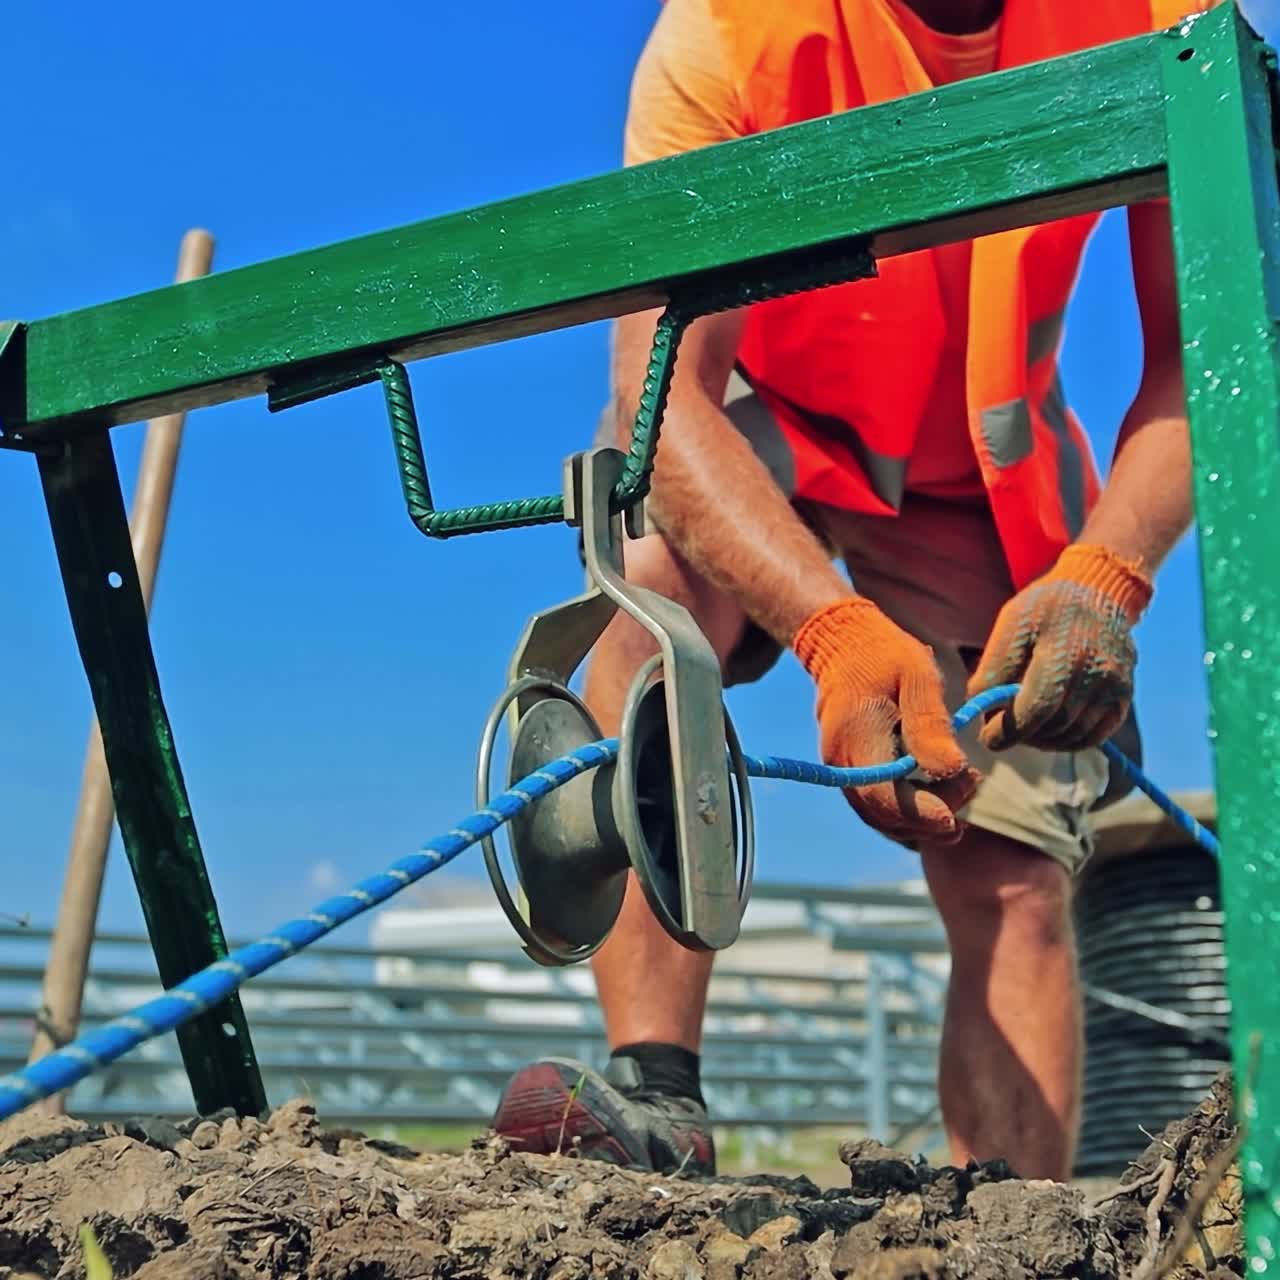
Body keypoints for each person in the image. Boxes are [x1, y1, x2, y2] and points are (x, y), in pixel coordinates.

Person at [491, 0, 1212, 1183]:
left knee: (1012, 852)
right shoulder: (729, 37)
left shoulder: (1154, 15)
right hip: (768, 436)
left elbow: (1206, 350)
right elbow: (660, 407)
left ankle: (1011, 1225)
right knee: (653, 591)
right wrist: (830, 633)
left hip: (980, 474)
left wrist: (1105, 568)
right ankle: (656, 1093)